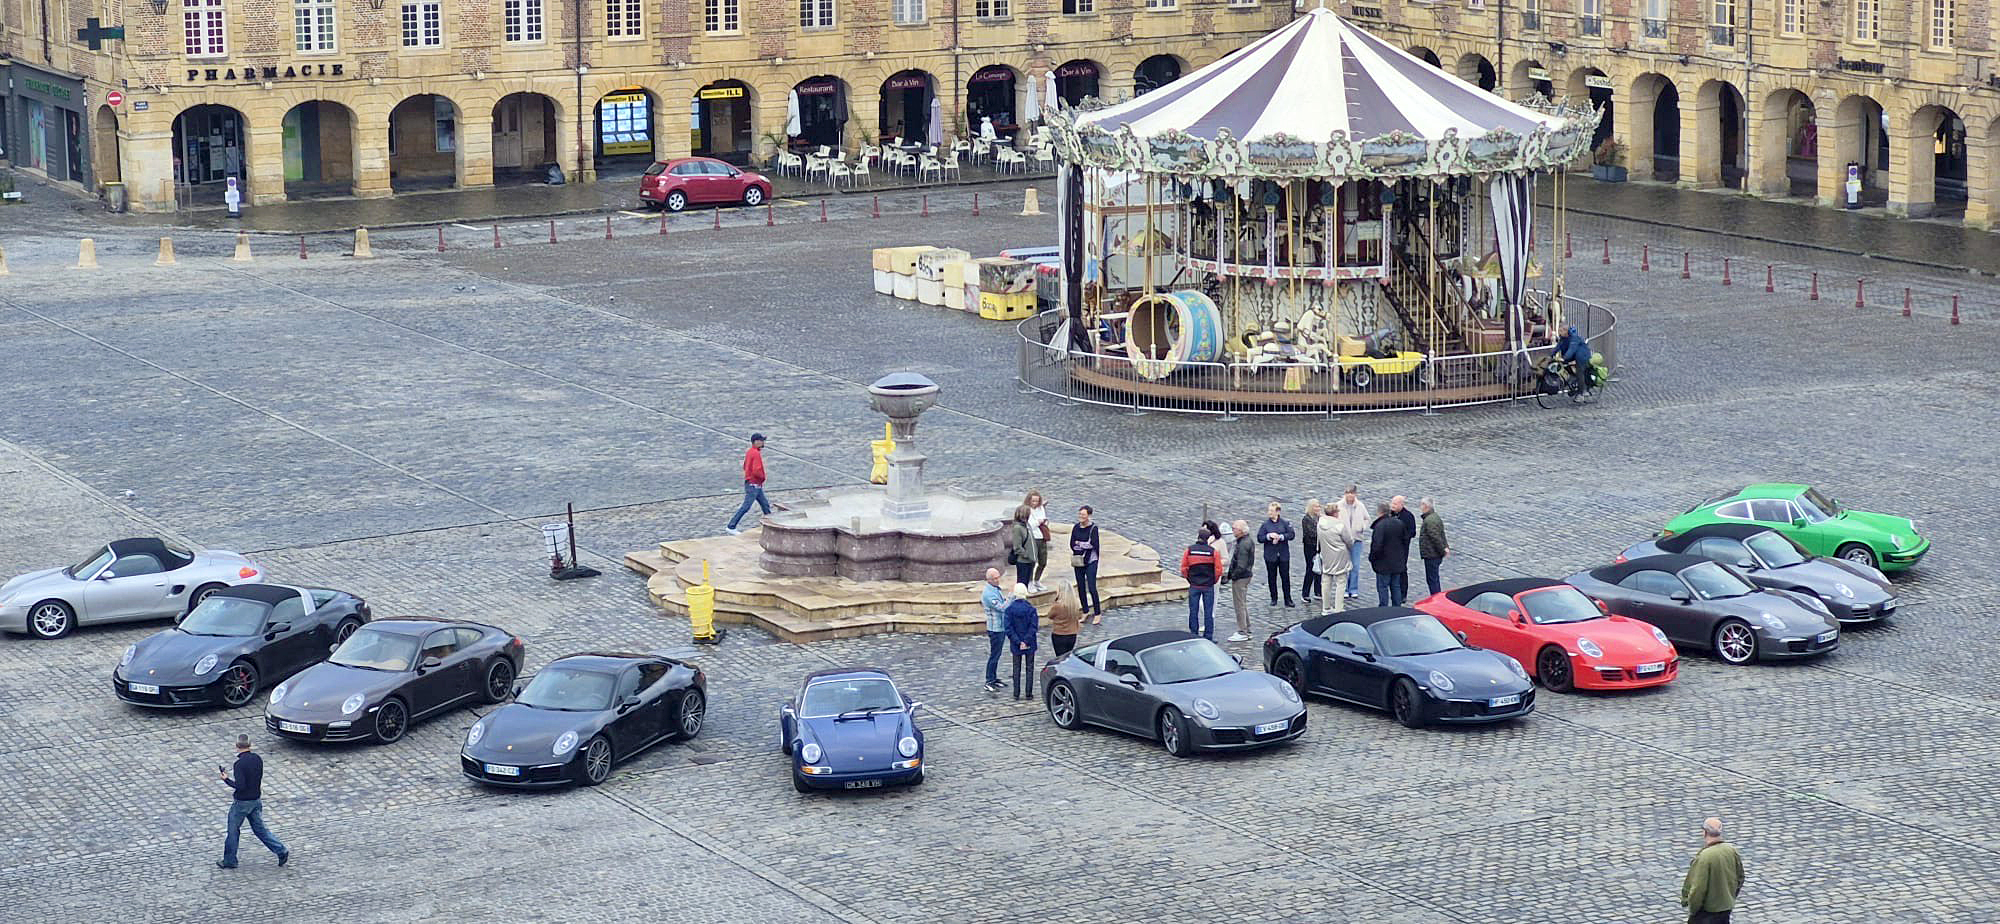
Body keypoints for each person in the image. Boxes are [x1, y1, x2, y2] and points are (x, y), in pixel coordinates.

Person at [217, 734, 287, 869]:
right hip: (256, 799)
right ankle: (281, 850)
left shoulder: (239, 764)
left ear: (237, 746)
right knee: (260, 829)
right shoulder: (257, 759)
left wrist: (226, 779)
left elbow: (241, 786)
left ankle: (230, 860)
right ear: (250, 745)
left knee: (233, 830)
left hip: (242, 803)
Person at [1680, 817, 1744, 924]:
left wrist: (1693, 909)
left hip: (1707, 912)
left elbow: (1698, 889)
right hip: (1725, 908)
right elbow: (1740, 877)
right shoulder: (1731, 850)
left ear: (1704, 832)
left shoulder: (1704, 857)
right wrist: (1730, 897)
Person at [725, 433, 771, 534]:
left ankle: (772, 526)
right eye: (762, 440)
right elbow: (757, 470)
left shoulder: (750, 452)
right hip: (754, 484)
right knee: (746, 506)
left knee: (765, 505)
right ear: (756, 441)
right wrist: (762, 478)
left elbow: (745, 465)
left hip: (754, 484)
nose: (763, 442)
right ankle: (731, 526)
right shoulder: (756, 453)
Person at [1180, 524, 1220, 640]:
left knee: (1193, 611)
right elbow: (1218, 570)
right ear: (1208, 538)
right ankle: (1208, 636)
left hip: (1194, 585)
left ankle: (1193, 634)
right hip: (1208, 585)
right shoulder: (1213, 552)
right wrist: (1213, 580)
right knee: (1208, 612)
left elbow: (1184, 568)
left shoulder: (1189, 550)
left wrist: (1190, 579)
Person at [1368, 502, 1410, 607]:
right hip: (1397, 562)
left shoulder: (1380, 526)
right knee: (1395, 586)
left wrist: (1372, 559)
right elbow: (1405, 541)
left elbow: (1376, 546)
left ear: (1379, 512)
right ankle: (1397, 606)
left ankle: (1383, 608)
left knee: (1383, 587)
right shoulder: (1399, 523)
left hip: (1383, 563)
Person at [1003, 584, 1040, 701]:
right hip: (1030, 643)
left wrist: (1018, 642)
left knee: (1016, 667)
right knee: (1029, 668)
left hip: (1015, 644)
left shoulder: (1009, 610)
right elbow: (1033, 627)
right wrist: (1026, 641)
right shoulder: (1031, 609)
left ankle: (1016, 693)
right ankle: (1028, 693)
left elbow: (1008, 629)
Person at [1257, 502, 1296, 613]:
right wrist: (1269, 536)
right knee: (1271, 577)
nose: (1269, 513)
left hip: (1283, 554)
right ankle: (1273, 598)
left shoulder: (1285, 523)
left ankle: (1288, 599)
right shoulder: (1265, 525)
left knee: (1285, 577)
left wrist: (1281, 537)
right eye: (1269, 511)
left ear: (1278, 512)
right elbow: (1260, 537)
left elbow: (1291, 534)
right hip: (1271, 555)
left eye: (1272, 511)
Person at [1316, 502, 1354, 616]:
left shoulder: (1320, 523)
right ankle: (1338, 608)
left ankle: (1326, 607)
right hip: (1340, 556)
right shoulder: (1339, 525)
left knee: (1326, 581)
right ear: (1335, 513)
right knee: (1341, 582)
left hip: (1326, 555)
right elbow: (1349, 541)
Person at [1224, 520, 1256, 642]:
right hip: (1245, 575)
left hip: (1241, 577)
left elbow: (1241, 565)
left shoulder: (1243, 544)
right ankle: (1247, 628)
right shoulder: (1246, 541)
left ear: (1241, 530)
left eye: (1234, 528)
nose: (1232, 531)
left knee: (1239, 604)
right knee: (1242, 603)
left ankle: (1242, 631)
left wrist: (1233, 576)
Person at [1334, 486, 1369, 600]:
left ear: (1355, 494)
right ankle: (1343, 589)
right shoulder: (1338, 505)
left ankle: (1353, 589)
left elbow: (1367, 519)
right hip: (1343, 540)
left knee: (1355, 565)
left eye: (1352, 493)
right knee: (1343, 565)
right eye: (1348, 493)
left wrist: (1361, 527)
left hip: (1357, 539)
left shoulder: (1360, 506)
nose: (1350, 495)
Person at [1070, 505, 1102, 623]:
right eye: (1080, 514)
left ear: (1089, 515)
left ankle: (1097, 613)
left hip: (1090, 560)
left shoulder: (1093, 528)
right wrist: (1081, 544)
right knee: (1081, 586)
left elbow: (1093, 544)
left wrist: (1080, 544)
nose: (1081, 517)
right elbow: (1072, 543)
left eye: (1083, 515)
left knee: (1092, 587)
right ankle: (1085, 611)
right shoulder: (1076, 527)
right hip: (1079, 559)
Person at [981, 569, 1008, 694]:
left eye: (998, 577)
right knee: (994, 655)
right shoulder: (988, 594)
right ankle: (989, 680)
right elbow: (1001, 607)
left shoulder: (995, 589)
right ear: (989, 580)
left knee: (997, 654)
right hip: (995, 629)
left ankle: (994, 677)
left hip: (1000, 627)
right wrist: (1013, 598)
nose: (998, 580)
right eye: (995, 578)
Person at [1418, 498, 1449, 597]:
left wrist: (1443, 550)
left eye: (1421, 505)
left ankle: (1436, 599)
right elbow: (1441, 534)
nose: (1420, 507)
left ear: (1426, 506)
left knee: (1432, 579)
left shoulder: (1429, 520)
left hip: (1432, 554)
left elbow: (1435, 537)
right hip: (1433, 554)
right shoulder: (1434, 517)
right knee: (1433, 578)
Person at [1006, 504, 1039, 590]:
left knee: (1026, 583)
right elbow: (1017, 547)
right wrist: (1027, 555)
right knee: (1022, 585)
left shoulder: (1027, 525)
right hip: (1023, 562)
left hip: (1030, 560)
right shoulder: (1017, 528)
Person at [1024, 490, 1051, 592]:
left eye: (1037, 501)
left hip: (1042, 537)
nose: (1035, 503)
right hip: (1033, 538)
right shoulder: (1026, 510)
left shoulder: (1041, 509)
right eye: (1033, 501)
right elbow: (1030, 525)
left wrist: (1041, 522)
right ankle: (1030, 582)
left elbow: (1043, 520)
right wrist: (1038, 522)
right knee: (1032, 561)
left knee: (1043, 561)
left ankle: (1037, 580)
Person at [1554, 323, 1593, 394]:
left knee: (1579, 372)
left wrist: (1564, 358)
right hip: (1574, 355)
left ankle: (1582, 393)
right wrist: (1550, 356)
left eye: (1560, 331)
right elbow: (1558, 347)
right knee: (1565, 366)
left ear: (1566, 331)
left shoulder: (1574, 338)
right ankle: (1573, 381)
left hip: (1582, 356)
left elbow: (1571, 350)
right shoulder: (1563, 338)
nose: (1559, 333)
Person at [1047, 582, 1083, 657]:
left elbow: (1050, 615)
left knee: (1060, 657)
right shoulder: (1075, 604)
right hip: (1072, 635)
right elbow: (1079, 616)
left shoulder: (1057, 606)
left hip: (1059, 635)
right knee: (1068, 656)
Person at [1299, 499, 1322, 604]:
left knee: (1319, 569)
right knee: (1310, 569)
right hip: (1310, 547)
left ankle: (1318, 591)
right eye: (1315, 506)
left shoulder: (1320, 518)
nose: (1318, 508)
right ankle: (1305, 593)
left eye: (1318, 506)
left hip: (1319, 546)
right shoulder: (1306, 519)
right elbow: (1311, 533)